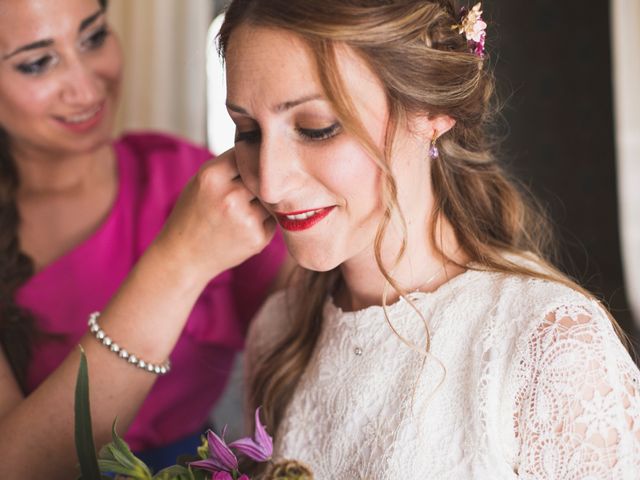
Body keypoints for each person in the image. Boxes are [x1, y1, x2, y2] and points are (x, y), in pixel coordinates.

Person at [214, 0, 640, 478]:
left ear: (431, 109)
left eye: (317, 128)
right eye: (247, 131)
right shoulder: (278, 334)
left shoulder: (551, 352)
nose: (268, 183)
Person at [0, 0, 287, 477]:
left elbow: (319, 313)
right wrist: (180, 261)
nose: (88, 83)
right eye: (37, 62)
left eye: (92, 37)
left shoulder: (185, 177)